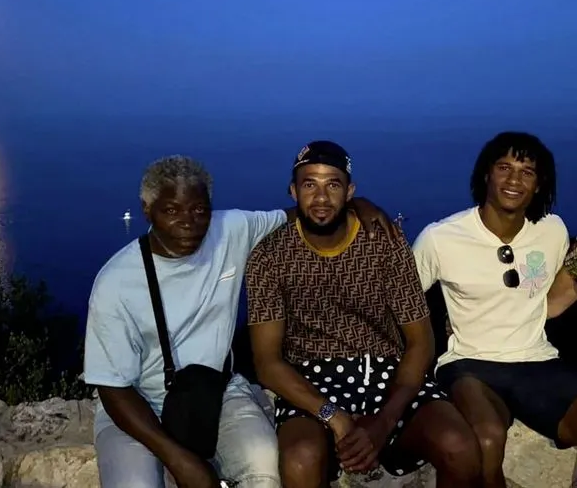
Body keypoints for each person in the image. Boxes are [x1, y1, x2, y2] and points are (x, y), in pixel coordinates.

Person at [83, 154, 397, 488]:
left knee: (264, 468)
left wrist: (354, 205)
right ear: (148, 210)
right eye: (171, 210)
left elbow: (297, 215)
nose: (188, 222)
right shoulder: (116, 282)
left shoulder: (230, 230)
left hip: (218, 392)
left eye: (199, 210)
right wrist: (179, 459)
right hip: (136, 404)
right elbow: (113, 388)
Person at [245, 141, 482, 488]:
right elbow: (267, 363)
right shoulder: (270, 255)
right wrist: (336, 417)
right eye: (310, 184)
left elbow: (420, 342)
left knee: (459, 446)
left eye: (333, 184)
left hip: (388, 374)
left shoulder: (382, 241)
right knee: (300, 458)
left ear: (350, 192)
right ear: (293, 191)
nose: (321, 197)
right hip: (311, 382)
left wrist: (384, 421)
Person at [413, 131, 575, 488]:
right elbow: (402, 301)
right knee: (486, 440)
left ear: (539, 184)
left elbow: (560, 287)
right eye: (504, 168)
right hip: (469, 363)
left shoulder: (553, 230)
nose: (514, 180)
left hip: (537, 361)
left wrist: (533, 314)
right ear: (486, 174)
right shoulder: (441, 238)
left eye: (527, 172)